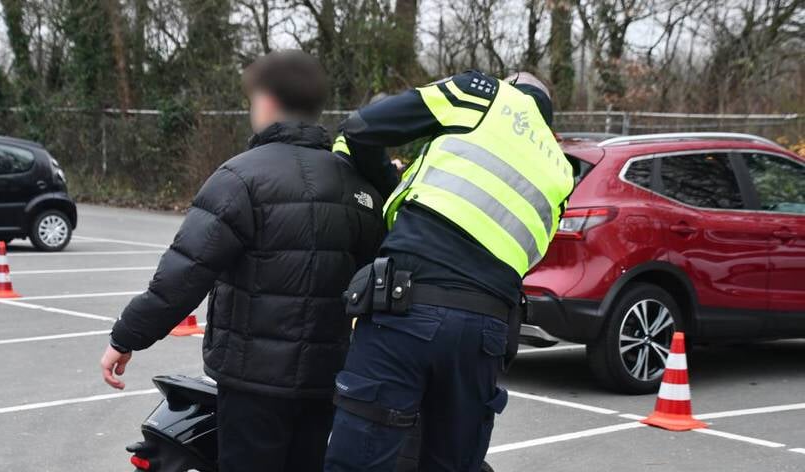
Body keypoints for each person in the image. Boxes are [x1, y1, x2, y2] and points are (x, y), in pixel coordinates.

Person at [99, 50, 386, 472]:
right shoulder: (358, 187)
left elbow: (184, 272)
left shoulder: (239, 178)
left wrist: (126, 337)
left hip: (252, 382)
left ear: (267, 101)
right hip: (325, 379)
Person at [325, 70, 575, 471]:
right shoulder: (563, 171)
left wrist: (391, 186)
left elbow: (363, 127)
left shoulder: (486, 94)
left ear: (510, 84)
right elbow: (528, 253)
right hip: (486, 333)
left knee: (361, 461)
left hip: (406, 306)